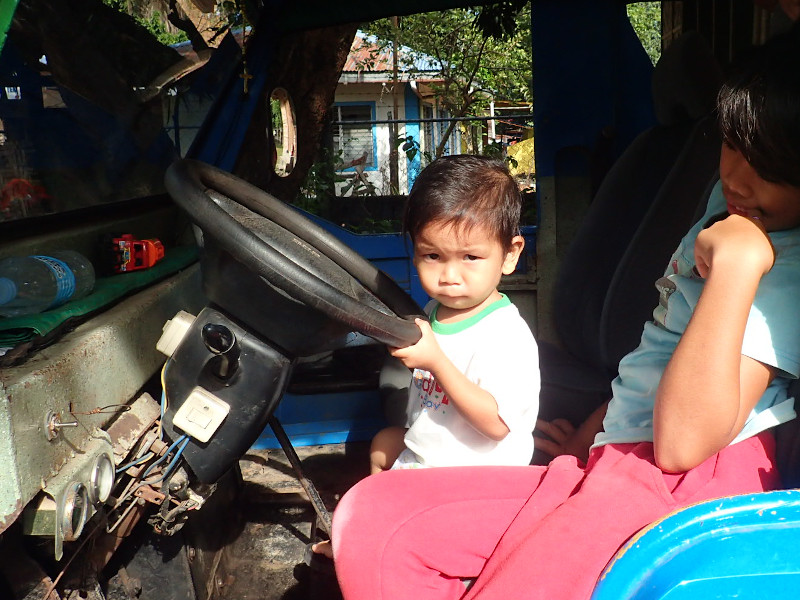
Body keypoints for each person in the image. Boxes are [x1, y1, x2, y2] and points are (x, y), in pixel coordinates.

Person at [328, 25, 800, 600]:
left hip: (683, 486)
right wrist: (590, 435)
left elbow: (682, 447)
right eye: (732, 146)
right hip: (620, 449)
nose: (737, 178)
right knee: (373, 521)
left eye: (769, 166)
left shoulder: (775, 257)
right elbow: (661, 350)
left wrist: (736, 267)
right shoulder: (734, 203)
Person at [311, 154, 540, 559]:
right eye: (433, 256)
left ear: (510, 254)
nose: (449, 276)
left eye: (470, 258)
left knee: (377, 510)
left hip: (474, 480)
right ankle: (375, 527)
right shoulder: (436, 311)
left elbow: (497, 425)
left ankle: (372, 545)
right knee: (383, 443)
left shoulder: (505, 335)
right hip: (435, 454)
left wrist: (436, 362)